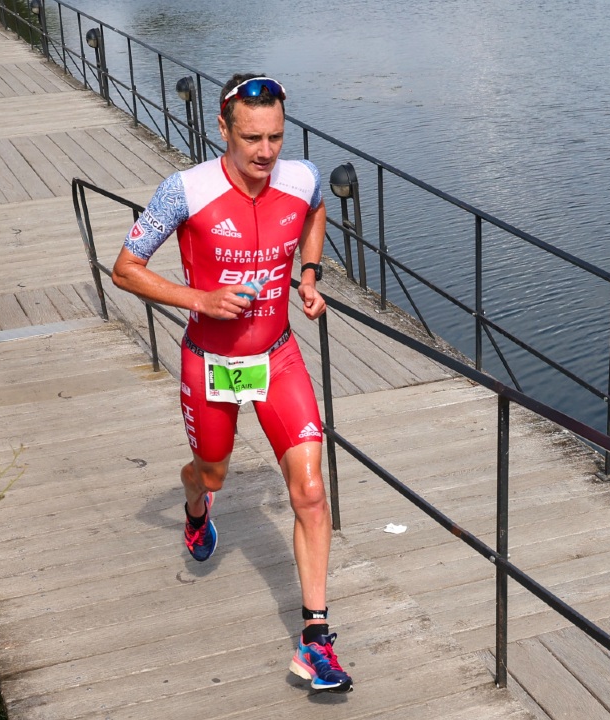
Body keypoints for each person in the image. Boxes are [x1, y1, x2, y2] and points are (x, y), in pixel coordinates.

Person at [111, 73, 352, 693]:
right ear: (223, 129)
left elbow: (317, 206)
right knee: (211, 472)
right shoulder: (184, 191)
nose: (265, 152)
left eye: (274, 137)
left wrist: (309, 274)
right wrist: (201, 299)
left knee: (310, 492)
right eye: (251, 139)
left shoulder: (301, 177)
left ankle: (316, 640)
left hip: (277, 357)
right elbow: (126, 269)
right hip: (209, 361)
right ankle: (198, 502)